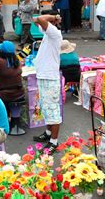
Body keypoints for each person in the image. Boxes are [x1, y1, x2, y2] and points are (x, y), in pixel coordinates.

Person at [32, 11, 63, 153]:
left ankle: (54, 142)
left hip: (50, 78)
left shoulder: (55, 33)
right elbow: (35, 20)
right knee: (45, 108)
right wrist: (50, 18)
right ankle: (48, 133)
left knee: (53, 111)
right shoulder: (47, 33)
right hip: (43, 76)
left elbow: (39, 18)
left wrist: (54, 18)